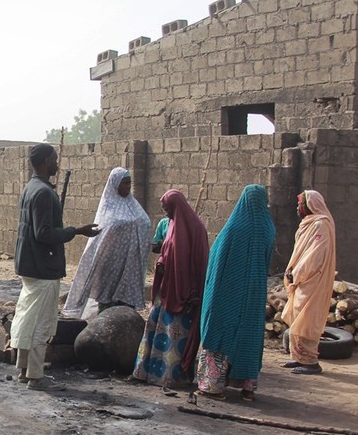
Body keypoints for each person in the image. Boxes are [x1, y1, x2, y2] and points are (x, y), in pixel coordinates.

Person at [11, 143, 100, 391]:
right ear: (46, 161)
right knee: (41, 322)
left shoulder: (32, 188)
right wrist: (77, 231)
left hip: (30, 265)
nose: (56, 162)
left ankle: (23, 369)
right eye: (54, 158)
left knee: (28, 317)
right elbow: (44, 233)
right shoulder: (42, 193)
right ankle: (35, 376)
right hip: (43, 268)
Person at [195, 185, 276, 401]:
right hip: (254, 293)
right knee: (249, 337)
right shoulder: (268, 228)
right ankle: (248, 389)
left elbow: (217, 261)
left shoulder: (235, 228)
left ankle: (213, 387)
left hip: (228, 292)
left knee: (219, 333)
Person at [132, 189, 209, 388]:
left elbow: (198, 262)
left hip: (184, 293)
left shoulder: (196, 229)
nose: (165, 213)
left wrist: (191, 290)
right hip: (166, 289)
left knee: (176, 334)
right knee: (156, 328)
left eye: (167, 209)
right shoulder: (172, 225)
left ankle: (172, 376)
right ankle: (148, 372)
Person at [62, 167, 151, 318]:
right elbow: (103, 235)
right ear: (115, 184)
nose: (128, 187)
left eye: (129, 183)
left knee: (125, 309)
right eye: (124, 183)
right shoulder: (108, 208)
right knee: (107, 307)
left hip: (130, 267)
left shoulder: (133, 205)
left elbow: (145, 224)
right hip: (110, 266)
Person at [281, 190, 336, 375]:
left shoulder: (321, 224)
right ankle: (298, 358)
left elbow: (315, 255)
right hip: (301, 280)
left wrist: (297, 274)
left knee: (307, 319)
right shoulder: (308, 224)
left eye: (300, 204)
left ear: (309, 205)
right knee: (297, 317)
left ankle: (311, 362)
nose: (298, 208)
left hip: (313, 280)